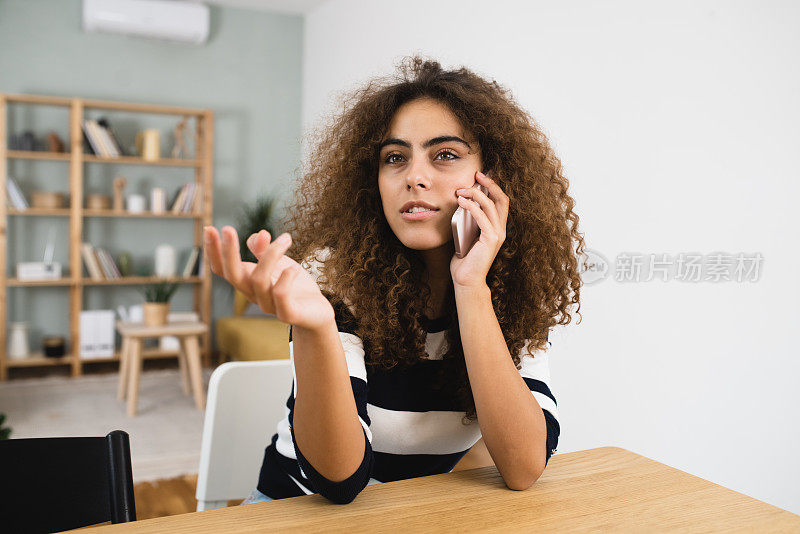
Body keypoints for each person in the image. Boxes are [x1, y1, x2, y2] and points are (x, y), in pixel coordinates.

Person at [203, 56, 585, 505]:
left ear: (493, 178)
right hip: (294, 511)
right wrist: (317, 327)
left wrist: (470, 287)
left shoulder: (514, 289)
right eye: (395, 158)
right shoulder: (335, 273)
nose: (414, 177)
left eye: (445, 155)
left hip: (414, 514)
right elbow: (338, 483)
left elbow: (522, 467)